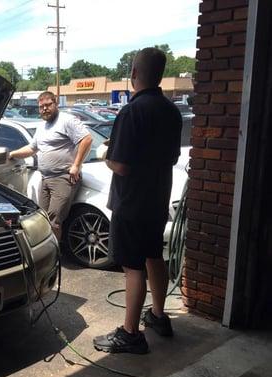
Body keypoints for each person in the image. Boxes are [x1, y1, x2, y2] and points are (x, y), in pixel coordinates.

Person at [93, 48, 182, 354]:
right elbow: (170, 157)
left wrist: (107, 155)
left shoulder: (131, 112)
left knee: (133, 268)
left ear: (133, 73)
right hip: (157, 201)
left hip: (130, 205)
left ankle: (130, 334)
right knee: (153, 257)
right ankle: (159, 316)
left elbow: (121, 165)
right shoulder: (172, 112)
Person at [9, 91, 92, 240]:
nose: (44, 109)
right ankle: (47, 248)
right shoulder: (42, 127)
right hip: (45, 179)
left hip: (63, 178)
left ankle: (54, 256)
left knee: (54, 221)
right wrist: (12, 154)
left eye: (48, 105)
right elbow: (32, 148)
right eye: (41, 107)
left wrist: (76, 165)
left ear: (56, 103)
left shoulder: (66, 120)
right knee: (43, 219)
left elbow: (86, 139)